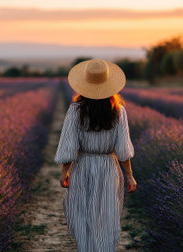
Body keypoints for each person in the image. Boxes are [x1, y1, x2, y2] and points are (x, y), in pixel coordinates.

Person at [54, 58, 137, 252]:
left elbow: (69, 145)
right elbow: (123, 149)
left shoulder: (75, 111)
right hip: (109, 167)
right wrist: (130, 175)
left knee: (83, 215)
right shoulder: (119, 112)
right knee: (106, 215)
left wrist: (64, 172)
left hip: (82, 166)